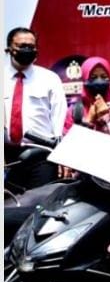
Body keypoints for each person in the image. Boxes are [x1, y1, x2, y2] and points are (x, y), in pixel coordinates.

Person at [4, 27, 67, 190]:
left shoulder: (50, 79)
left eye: (31, 46)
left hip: (41, 155)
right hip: (7, 157)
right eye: (22, 46)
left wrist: (62, 156)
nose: (27, 50)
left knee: (39, 202)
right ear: (9, 48)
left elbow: (59, 120)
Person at [63, 56, 110, 143]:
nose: (99, 81)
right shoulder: (75, 111)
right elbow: (67, 144)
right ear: (85, 79)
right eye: (93, 77)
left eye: (103, 76)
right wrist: (88, 121)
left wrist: (107, 119)